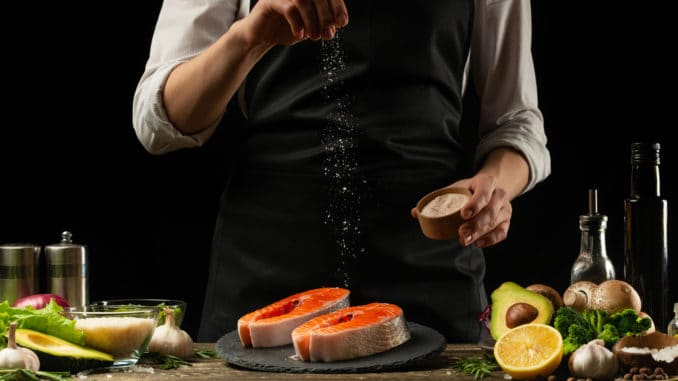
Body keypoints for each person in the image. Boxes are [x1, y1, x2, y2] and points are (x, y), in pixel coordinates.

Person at [132, 0, 551, 343]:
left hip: (427, 266)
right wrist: (250, 37)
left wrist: (495, 185)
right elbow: (159, 121)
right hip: (268, 267)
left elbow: (516, 120)